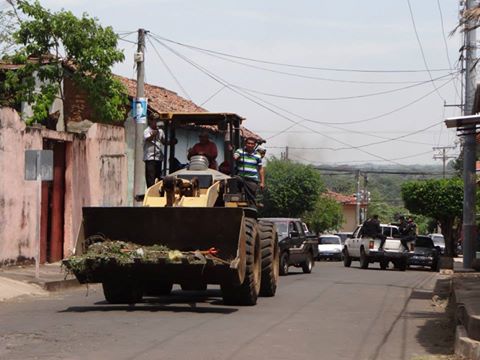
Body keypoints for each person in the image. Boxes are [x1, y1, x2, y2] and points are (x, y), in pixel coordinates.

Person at [143, 118, 175, 188]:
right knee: (150, 178)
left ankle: (158, 192)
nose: (156, 122)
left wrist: (172, 142)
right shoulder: (147, 131)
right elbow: (148, 139)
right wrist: (153, 135)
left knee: (158, 177)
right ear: (150, 121)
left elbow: (164, 142)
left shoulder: (160, 131)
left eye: (157, 120)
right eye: (154, 120)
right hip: (150, 158)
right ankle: (151, 193)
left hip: (158, 157)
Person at [234, 137, 264, 205]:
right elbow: (235, 156)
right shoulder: (240, 151)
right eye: (248, 143)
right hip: (241, 177)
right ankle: (235, 202)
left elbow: (261, 169)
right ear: (245, 143)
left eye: (252, 144)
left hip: (252, 179)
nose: (250, 145)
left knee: (251, 198)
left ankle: (252, 208)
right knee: (234, 179)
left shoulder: (257, 155)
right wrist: (235, 156)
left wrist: (262, 182)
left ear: (254, 145)